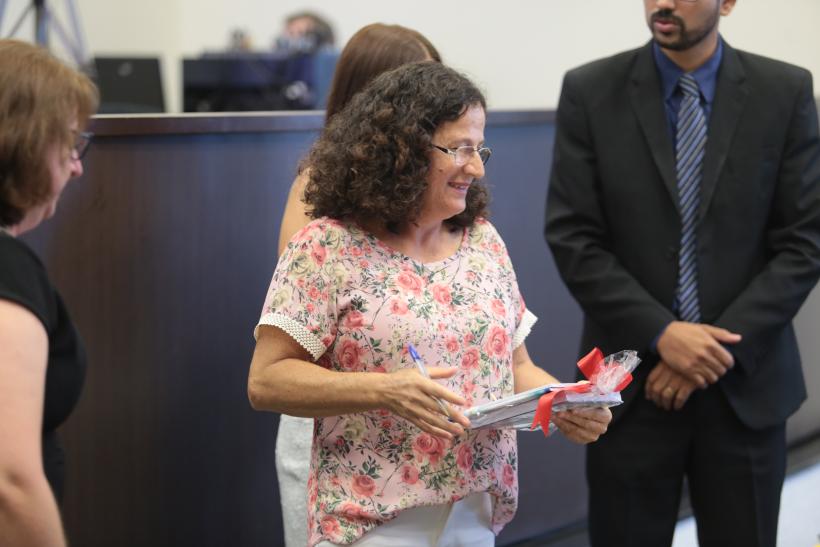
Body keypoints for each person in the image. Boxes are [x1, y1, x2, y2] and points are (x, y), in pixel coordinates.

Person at [249, 61, 612, 547]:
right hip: (371, 521)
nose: (476, 168)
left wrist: (566, 403)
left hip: (474, 513)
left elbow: (516, 366)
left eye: (479, 149)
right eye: (460, 149)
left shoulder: (483, 242)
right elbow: (266, 380)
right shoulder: (327, 247)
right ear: (402, 150)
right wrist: (384, 390)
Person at [545, 1, 820, 546]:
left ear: (728, 2)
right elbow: (574, 237)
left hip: (745, 388)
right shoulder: (590, 91)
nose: (663, 3)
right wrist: (664, 335)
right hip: (628, 390)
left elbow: (803, 241)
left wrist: (708, 351)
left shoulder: (784, 91)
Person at [273, 22, 443, 547]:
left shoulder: (438, 191)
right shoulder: (318, 185)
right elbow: (298, 329)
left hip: (414, 444)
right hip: (336, 437)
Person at [0, 39, 98, 546]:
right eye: (68, 143)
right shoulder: (7, 270)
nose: (77, 165)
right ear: (23, 144)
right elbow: (10, 483)